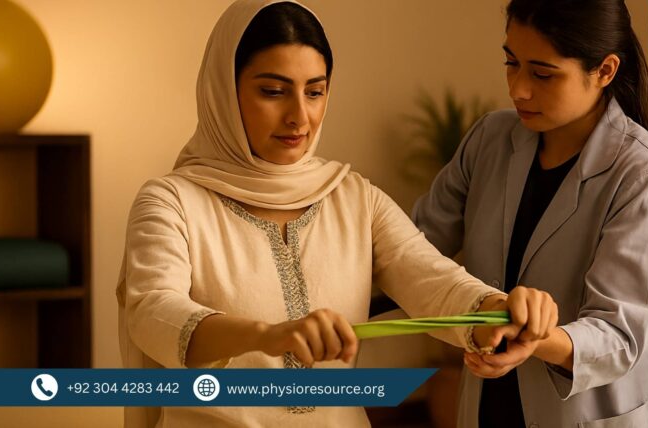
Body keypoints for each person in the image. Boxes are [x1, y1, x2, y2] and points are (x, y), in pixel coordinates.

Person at [115, 1, 557, 427]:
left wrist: (499, 310)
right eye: (272, 91)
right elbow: (154, 313)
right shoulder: (171, 201)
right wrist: (268, 335)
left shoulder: (353, 198)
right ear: (223, 90)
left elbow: (435, 281)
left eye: (315, 91)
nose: (299, 116)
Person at [412, 0, 648, 427]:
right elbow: (412, 252)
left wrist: (536, 338)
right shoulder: (490, 138)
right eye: (511, 63)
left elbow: (618, 335)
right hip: (490, 405)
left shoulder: (644, 174)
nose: (518, 88)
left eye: (542, 74)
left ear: (605, 71)